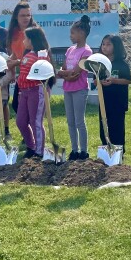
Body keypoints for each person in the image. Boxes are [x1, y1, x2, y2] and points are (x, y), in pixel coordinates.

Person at [58, 14, 93, 160]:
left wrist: (64, 73)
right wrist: (65, 74)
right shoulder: (70, 50)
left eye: (73, 33)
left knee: (79, 121)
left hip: (79, 89)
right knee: (70, 121)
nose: (70, 36)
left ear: (81, 33)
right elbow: (65, 69)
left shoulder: (87, 51)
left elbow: (77, 72)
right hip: (68, 88)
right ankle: (74, 149)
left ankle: (83, 151)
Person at [15, 27, 53, 158]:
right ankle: (30, 146)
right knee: (20, 121)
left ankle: (39, 151)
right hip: (24, 92)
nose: (24, 41)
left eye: (25, 38)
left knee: (35, 121)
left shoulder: (41, 55)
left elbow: (44, 73)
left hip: (37, 90)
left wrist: (42, 60)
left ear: (31, 40)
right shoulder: (27, 54)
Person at [97, 34, 131, 152]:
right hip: (104, 101)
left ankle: (119, 151)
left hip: (118, 102)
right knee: (104, 126)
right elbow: (95, 81)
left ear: (116, 46)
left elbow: (128, 80)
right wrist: (100, 81)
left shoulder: (121, 64)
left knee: (117, 127)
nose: (104, 47)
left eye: (108, 44)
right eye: (103, 44)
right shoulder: (99, 64)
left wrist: (114, 80)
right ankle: (106, 148)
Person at [6, 2, 35, 119]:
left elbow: (36, 56)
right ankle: (28, 134)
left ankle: (31, 135)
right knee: (17, 105)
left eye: (28, 15)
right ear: (16, 17)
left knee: (27, 107)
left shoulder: (35, 32)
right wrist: (11, 64)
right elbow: (14, 52)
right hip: (22, 74)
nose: (26, 18)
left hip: (33, 75)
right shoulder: (13, 33)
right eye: (22, 15)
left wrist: (16, 62)